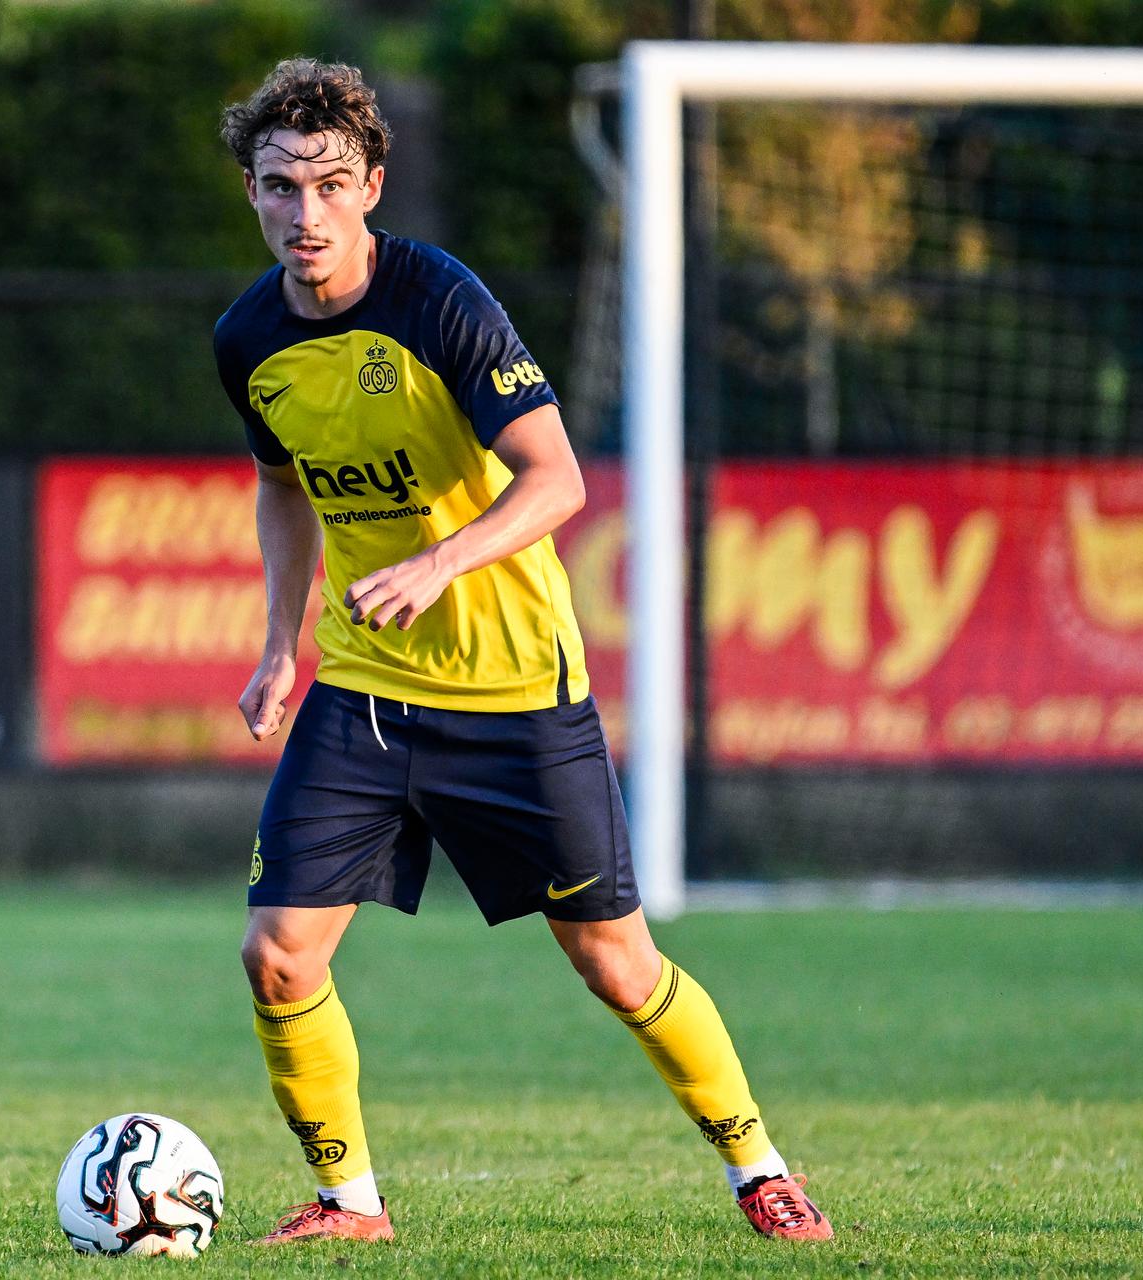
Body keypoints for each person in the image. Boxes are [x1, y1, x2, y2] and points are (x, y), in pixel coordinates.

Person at [212, 57, 832, 1247]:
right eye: (280, 187)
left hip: (515, 693)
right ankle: (351, 1204)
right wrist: (282, 640)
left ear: (372, 187)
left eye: (329, 185)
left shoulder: (441, 299)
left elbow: (558, 479)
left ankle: (761, 1170)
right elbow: (282, 487)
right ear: (253, 193)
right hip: (365, 690)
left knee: (613, 961)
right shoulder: (248, 336)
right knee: (279, 954)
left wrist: (442, 560)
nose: (305, 213)